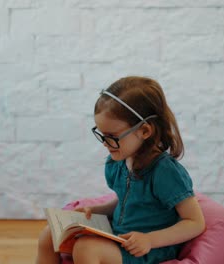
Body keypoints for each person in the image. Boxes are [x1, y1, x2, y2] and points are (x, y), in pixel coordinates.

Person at [36, 76, 205, 264]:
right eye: (102, 134)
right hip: (119, 236)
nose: (106, 144)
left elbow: (195, 222)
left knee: (86, 248)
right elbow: (128, 200)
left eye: (112, 136)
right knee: (49, 234)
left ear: (145, 131)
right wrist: (98, 210)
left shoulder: (165, 172)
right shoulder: (119, 162)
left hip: (147, 248)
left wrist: (149, 240)